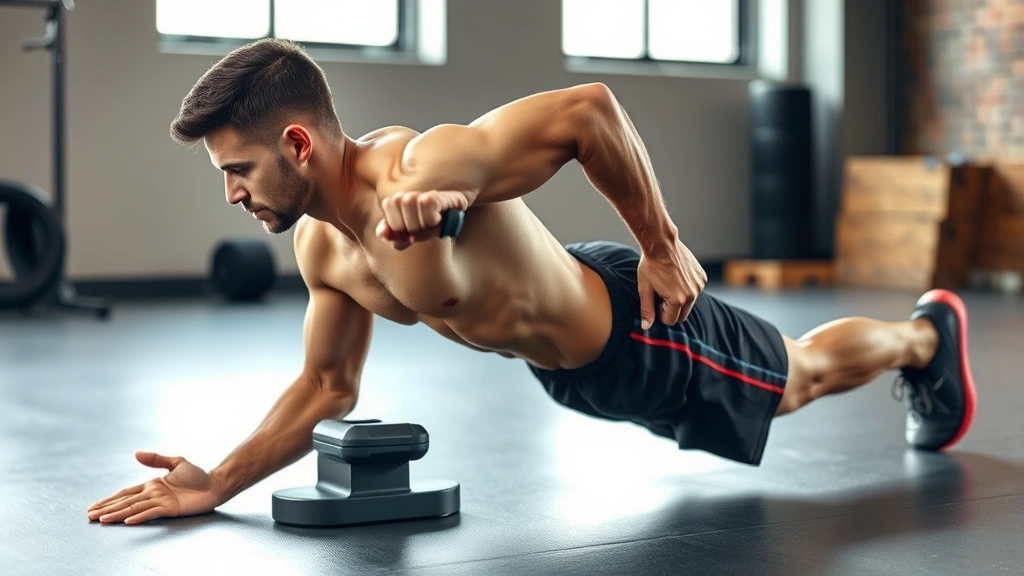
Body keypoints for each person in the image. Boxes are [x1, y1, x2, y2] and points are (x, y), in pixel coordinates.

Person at [86, 39, 976, 526]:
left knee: (799, 376)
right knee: (784, 382)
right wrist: (216, 484)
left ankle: (928, 336)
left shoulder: (420, 163)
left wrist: (663, 248)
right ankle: (921, 338)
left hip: (643, 332)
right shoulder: (323, 252)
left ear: (297, 145)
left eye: (236, 169)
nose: (232, 193)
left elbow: (587, 109)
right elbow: (327, 385)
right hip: (577, 373)